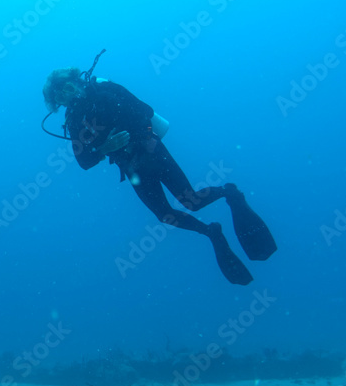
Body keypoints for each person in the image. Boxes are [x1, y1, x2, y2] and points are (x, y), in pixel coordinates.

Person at [42, 62, 276, 285]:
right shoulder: (74, 121)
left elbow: (145, 110)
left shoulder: (104, 90)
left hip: (152, 152)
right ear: (57, 103)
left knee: (190, 201)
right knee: (164, 215)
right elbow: (84, 161)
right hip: (131, 167)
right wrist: (106, 148)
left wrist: (138, 137)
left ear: (75, 80)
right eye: (59, 97)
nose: (67, 96)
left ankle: (230, 193)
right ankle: (210, 232)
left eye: (67, 87)